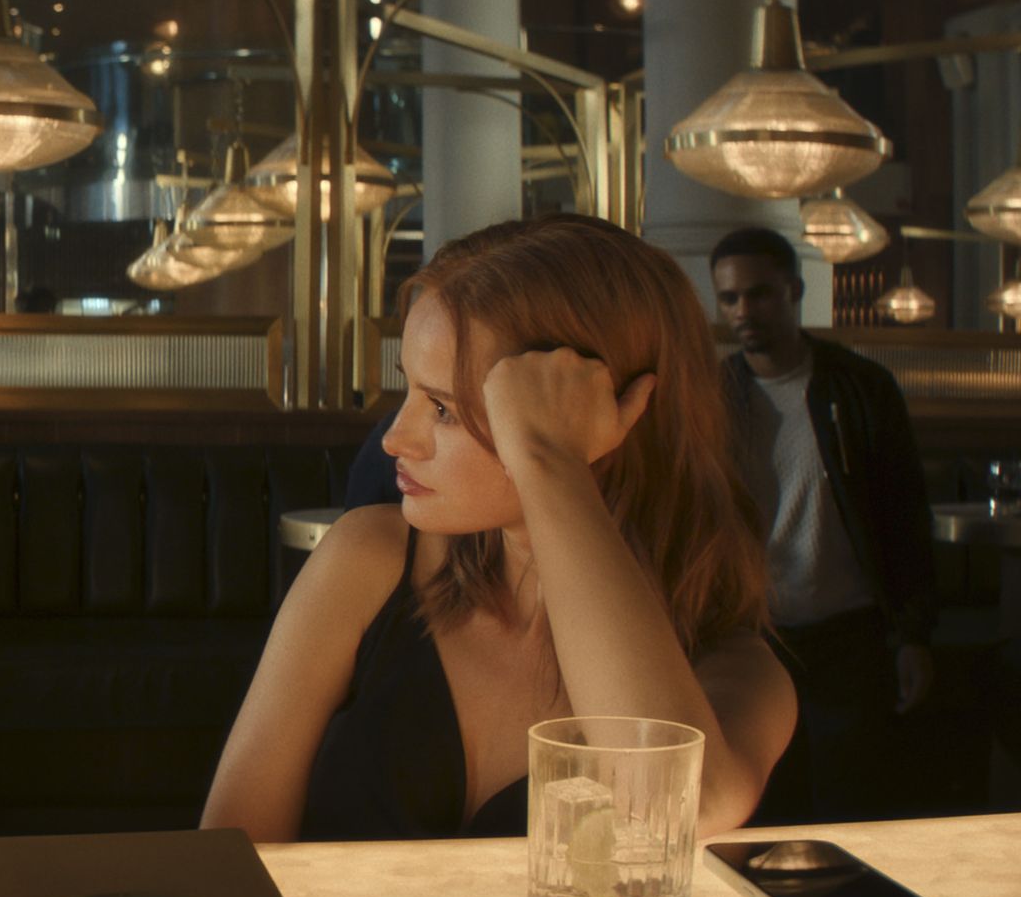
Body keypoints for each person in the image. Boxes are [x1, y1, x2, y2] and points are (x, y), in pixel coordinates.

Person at [203, 214, 797, 842]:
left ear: (584, 419)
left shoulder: (732, 668)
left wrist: (551, 464)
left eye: (443, 409)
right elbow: (228, 854)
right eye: (410, 391)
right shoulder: (366, 560)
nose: (396, 440)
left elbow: (680, 804)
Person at [709, 227, 938, 822]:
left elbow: (904, 514)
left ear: (794, 291)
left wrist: (912, 634)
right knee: (759, 810)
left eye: (759, 295)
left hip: (848, 635)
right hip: (754, 634)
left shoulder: (857, 387)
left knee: (852, 807)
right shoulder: (715, 396)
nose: (744, 312)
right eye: (730, 299)